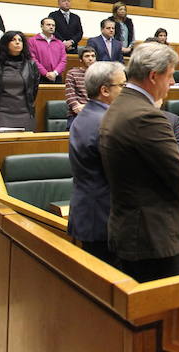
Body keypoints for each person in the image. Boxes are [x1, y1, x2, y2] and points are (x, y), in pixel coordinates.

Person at [99, 42, 179, 283]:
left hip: (130, 228)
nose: (172, 83)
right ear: (153, 76)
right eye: (170, 76)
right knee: (164, 315)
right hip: (152, 236)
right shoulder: (147, 116)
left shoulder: (120, 105)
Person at [67, 60, 127, 265]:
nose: (126, 90)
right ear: (105, 90)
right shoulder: (106, 123)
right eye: (122, 86)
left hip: (90, 211)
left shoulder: (87, 115)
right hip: (102, 217)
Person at [0, 31, 40, 133]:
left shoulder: (31, 65)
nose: (18, 43)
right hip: (2, 112)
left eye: (20, 40)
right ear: (5, 44)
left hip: (25, 112)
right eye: (13, 40)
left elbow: (34, 89)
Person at [65, 46, 97, 127]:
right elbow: (70, 95)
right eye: (87, 56)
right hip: (77, 113)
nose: (90, 59)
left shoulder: (99, 74)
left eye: (93, 56)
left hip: (95, 111)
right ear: (80, 59)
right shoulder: (72, 73)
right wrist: (77, 107)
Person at [28, 17, 67, 83]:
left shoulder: (59, 43)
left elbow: (63, 60)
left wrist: (55, 73)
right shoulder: (32, 41)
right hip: (39, 76)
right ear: (42, 26)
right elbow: (32, 59)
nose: (51, 27)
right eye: (48, 25)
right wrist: (45, 73)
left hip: (56, 77)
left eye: (53, 25)